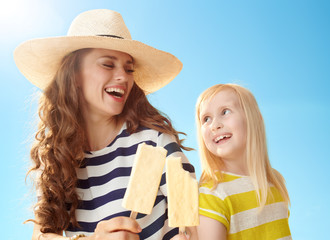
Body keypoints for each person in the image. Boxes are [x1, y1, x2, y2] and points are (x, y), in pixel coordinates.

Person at [14, 9, 196, 240]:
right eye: (108, 65)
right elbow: (41, 236)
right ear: (75, 76)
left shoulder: (155, 142)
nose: (123, 77)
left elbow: (192, 224)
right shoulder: (56, 158)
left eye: (129, 68)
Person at [195, 83, 291, 240]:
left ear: (254, 118)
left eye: (225, 112)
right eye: (206, 119)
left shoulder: (275, 181)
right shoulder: (212, 193)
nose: (214, 125)